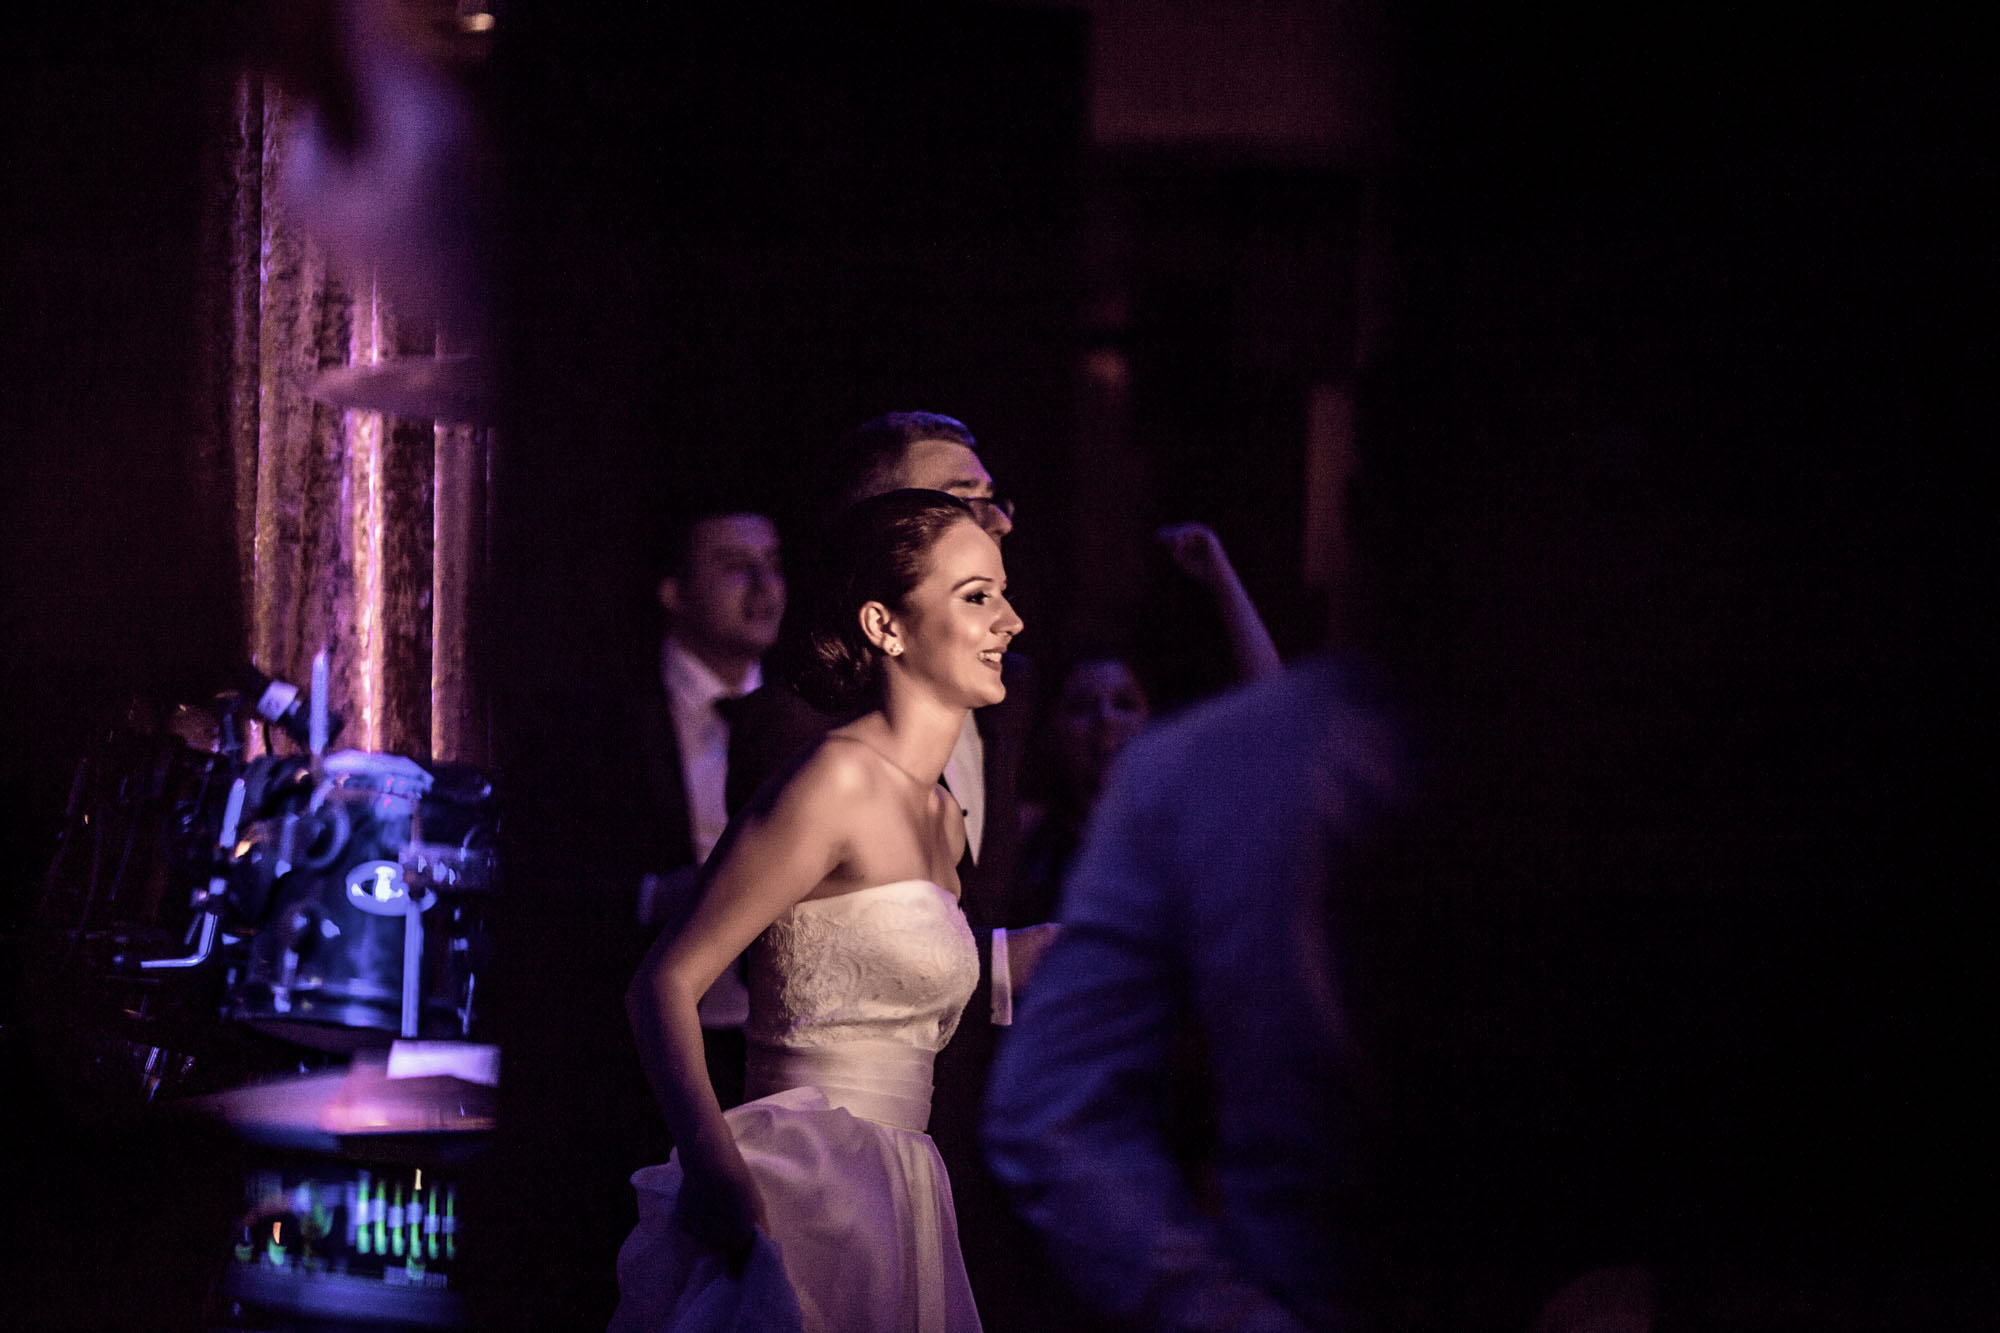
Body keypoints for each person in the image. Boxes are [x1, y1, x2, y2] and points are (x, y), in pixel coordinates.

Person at [613, 490, 1024, 1332]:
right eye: (977, 596)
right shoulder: (834, 779)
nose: (1009, 621)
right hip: (806, 1187)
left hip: (905, 1192)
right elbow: (663, 984)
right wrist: (716, 1168)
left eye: (1004, 595)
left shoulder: (944, 818)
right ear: (885, 625)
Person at [725, 411, 1073, 1329]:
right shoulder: (806, 735)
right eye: (962, 497)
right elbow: (760, 960)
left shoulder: (995, 714)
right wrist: (720, 1174)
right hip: (810, 1168)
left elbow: (937, 931)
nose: (996, 517)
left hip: (935, 1163)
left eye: (995, 499)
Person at [983, 658, 1405, 1332]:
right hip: (1081, 1119)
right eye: (1082, 706)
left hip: (1183, 1105)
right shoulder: (1028, 835)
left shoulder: (1204, 810)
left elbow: (1279, 706)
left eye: (1124, 701)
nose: (1103, 723)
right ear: (1053, 728)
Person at [634, 498, 787, 1109]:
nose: (765, 586)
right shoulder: (603, 719)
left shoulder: (813, 718)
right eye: (734, 567)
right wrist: (653, 895)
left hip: (776, 1046)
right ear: (675, 591)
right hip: (640, 1054)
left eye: (773, 564)